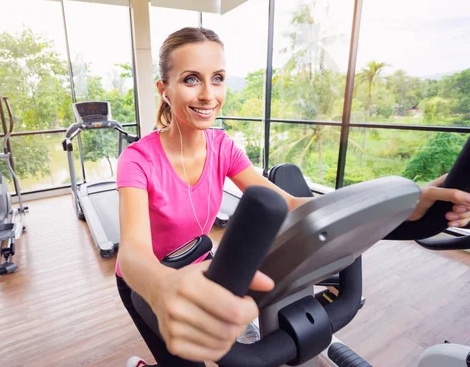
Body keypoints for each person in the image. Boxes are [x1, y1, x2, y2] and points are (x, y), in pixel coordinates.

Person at [115, 27, 470, 367]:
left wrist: (409, 198)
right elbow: (133, 253)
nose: (208, 94)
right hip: (148, 278)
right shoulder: (138, 159)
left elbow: (293, 205)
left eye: (218, 78)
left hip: (199, 264)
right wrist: (161, 287)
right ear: (165, 88)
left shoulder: (222, 147)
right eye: (191, 79)